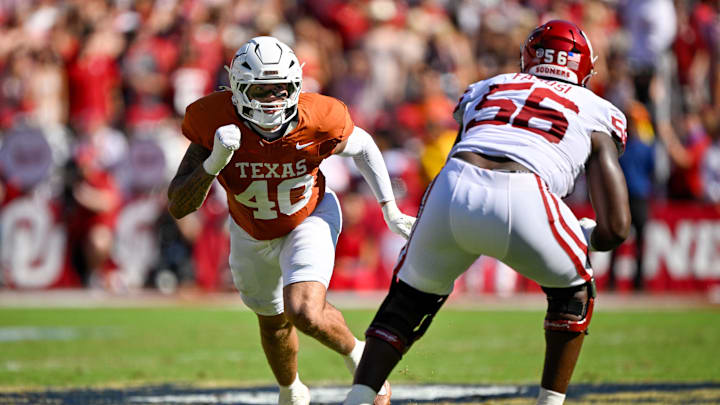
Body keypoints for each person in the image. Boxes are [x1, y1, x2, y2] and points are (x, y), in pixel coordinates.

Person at [343, 20, 631, 405]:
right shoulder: (598, 110)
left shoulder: (489, 86)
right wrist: (587, 235)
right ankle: (550, 402)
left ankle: (359, 398)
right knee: (573, 294)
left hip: (452, 183)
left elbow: (465, 142)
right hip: (525, 190)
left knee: (406, 302)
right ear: (584, 68)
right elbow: (616, 228)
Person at [167, 36, 413, 405]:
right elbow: (178, 205)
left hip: (308, 216)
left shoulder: (318, 116)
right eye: (261, 90)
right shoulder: (212, 119)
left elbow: (362, 146)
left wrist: (389, 207)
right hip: (249, 229)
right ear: (237, 88)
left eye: (280, 88)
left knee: (304, 310)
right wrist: (212, 163)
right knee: (273, 322)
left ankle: (360, 358)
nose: (272, 99)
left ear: (297, 84)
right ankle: (292, 391)